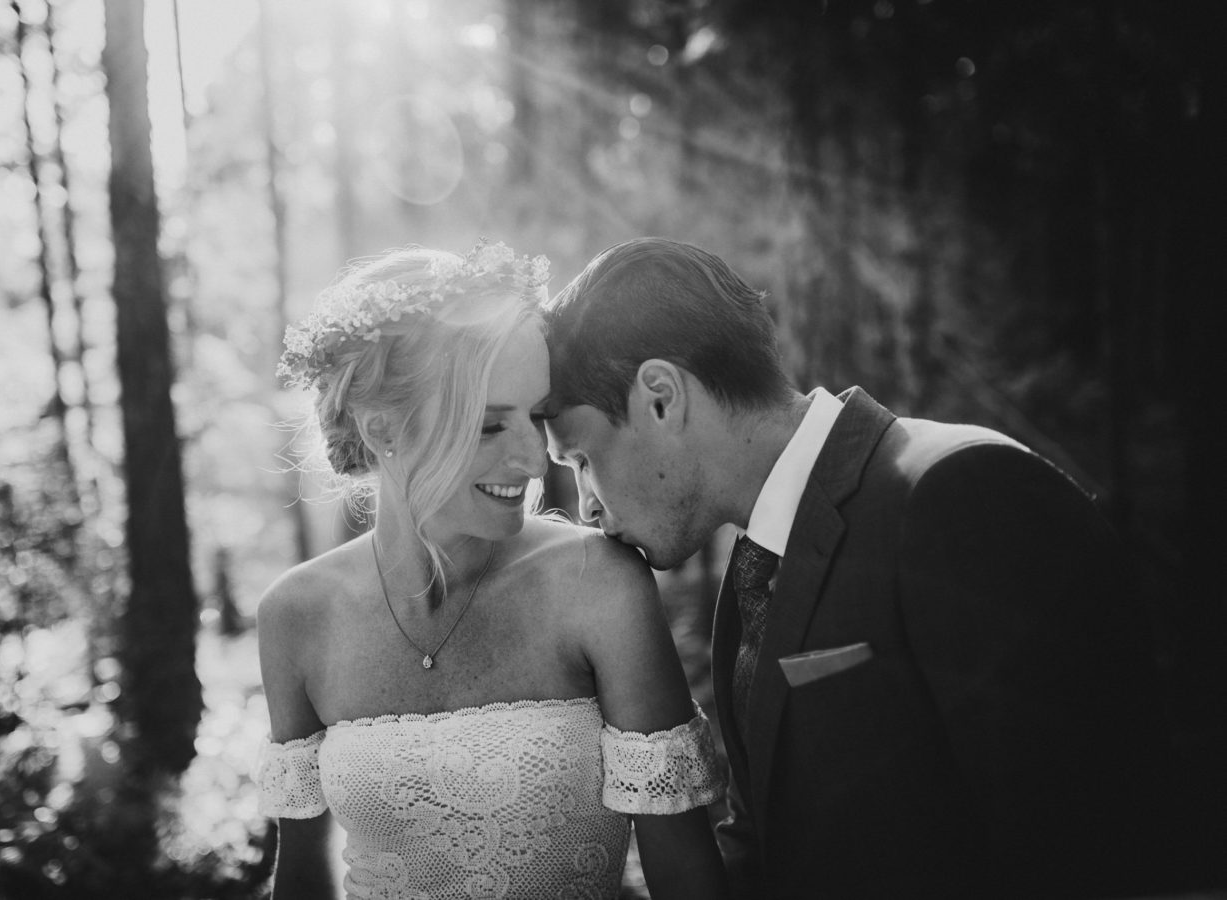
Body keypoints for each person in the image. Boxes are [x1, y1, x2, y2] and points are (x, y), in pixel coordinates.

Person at [541, 237, 1180, 898]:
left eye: (583, 460)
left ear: (661, 397)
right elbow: (777, 849)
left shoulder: (962, 494)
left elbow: (1085, 847)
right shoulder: (749, 583)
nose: (586, 506)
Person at [254, 240, 729, 900]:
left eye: (536, 418)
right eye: (488, 426)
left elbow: (688, 878)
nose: (536, 462)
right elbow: (301, 878)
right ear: (383, 429)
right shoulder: (296, 616)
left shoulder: (599, 585)